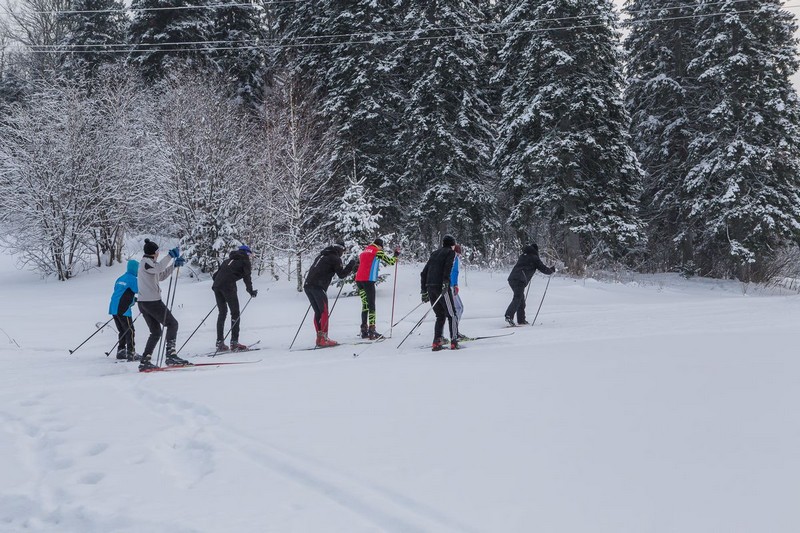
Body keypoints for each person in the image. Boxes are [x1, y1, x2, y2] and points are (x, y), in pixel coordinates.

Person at [137, 239, 188, 371]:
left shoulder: (150, 264)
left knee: (156, 332)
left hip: (145, 303)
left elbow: (161, 275)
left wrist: (174, 266)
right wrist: (170, 256)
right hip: (151, 302)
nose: (159, 254)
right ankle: (171, 355)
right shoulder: (146, 263)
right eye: (158, 252)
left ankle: (145, 361)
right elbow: (159, 268)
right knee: (172, 324)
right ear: (154, 253)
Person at [303, 242, 357, 347]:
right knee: (324, 312)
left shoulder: (322, 255)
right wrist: (351, 265)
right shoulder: (335, 258)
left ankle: (319, 338)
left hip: (308, 285)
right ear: (340, 249)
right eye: (343, 251)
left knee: (318, 312)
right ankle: (324, 338)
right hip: (318, 286)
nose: (342, 253)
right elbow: (341, 275)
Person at [212, 245, 257, 352]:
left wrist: (221, 285)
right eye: (250, 254)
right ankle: (234, 342)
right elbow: (247, 278)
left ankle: (220, 342)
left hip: (217, 286)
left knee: (222, 313)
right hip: (228, 287)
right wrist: (251, 291)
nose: (250, 257)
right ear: (246, 253)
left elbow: (215, 276)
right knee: (235, 313)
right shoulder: (244, 261)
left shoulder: (227, 261)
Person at [420, 234, 460, 351]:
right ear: (452, 245)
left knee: (440, 315)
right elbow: (447, 268)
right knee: (452, 314)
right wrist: (446, 282)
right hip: (441, 287)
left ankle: (437, 341)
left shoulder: (434, 254)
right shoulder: (450, 253)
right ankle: (454, 340)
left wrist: (423, 291)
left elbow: (423, 273)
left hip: (430, 287)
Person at [354, 238, 399, 339]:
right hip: (368, 280)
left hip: (359, 280)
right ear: (380, 246)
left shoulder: (364, 252)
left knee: (365, 305)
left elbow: (358, 264)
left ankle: (364, 330)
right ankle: (372, 330)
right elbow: (391, 262)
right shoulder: (377, 252)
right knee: (371, 305)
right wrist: (395, 255)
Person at [504, 243, 555, 326]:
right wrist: (551, 270)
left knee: (520, 299)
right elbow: (543, 269)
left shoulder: (523, 256)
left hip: (512, 278)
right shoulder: (534, 258)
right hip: (520, 279)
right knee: (518, 298)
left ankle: (521, 320)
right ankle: (509, 316)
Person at [108, 259, 139, 361]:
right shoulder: (133, 279)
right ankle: (131, 352)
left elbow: (121, 292)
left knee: (122, 330)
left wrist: (132, 299)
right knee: (130, 330)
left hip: (113, 307)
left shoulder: (120, 278)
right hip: (123, 308)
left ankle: (121, 351)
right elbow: (139, 290)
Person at [451, 244, 468, 341]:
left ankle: (455, 331)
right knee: (459, 307)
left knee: (459, 308)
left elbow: (454, 272)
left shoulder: (454, 258)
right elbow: (452, 273)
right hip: (450, 286)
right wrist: (454, 285)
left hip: (451, 286)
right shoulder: (453, 258)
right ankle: (455, 332)